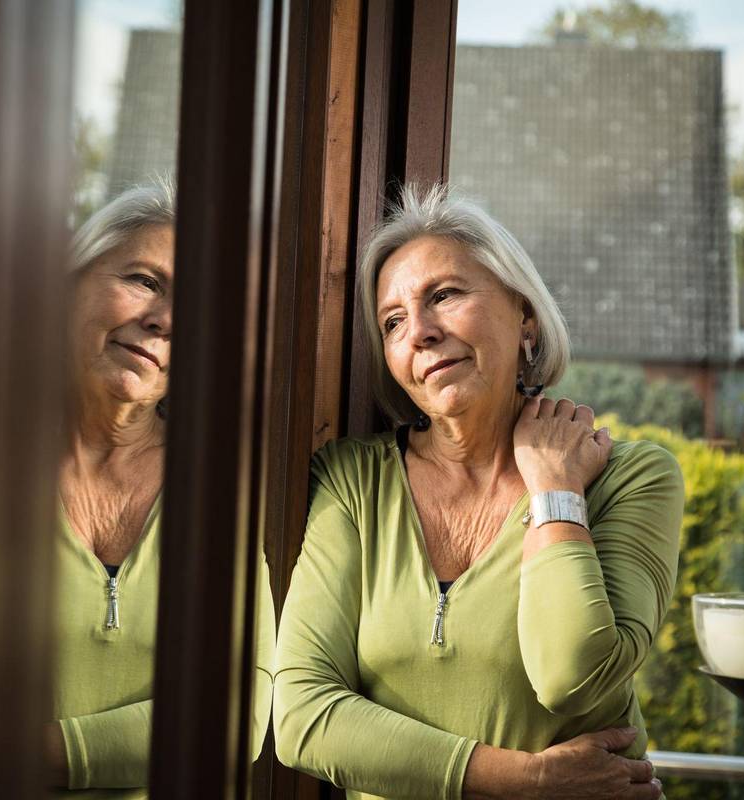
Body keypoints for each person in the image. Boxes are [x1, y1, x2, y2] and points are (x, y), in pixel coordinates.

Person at [273, 184, 684, 799]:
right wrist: (528, 780)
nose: (420, 332)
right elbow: (303, 717)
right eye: (392, 321)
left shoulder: (633, 477)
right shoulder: (355, 481)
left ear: (524, 315)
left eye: (444, 295)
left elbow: (573, 677)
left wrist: (554, 489)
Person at [46, 180, 275, 796]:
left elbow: (239, 712)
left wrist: (43, 752)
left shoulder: (220, 485)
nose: (165, 320)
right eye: (145, 281)